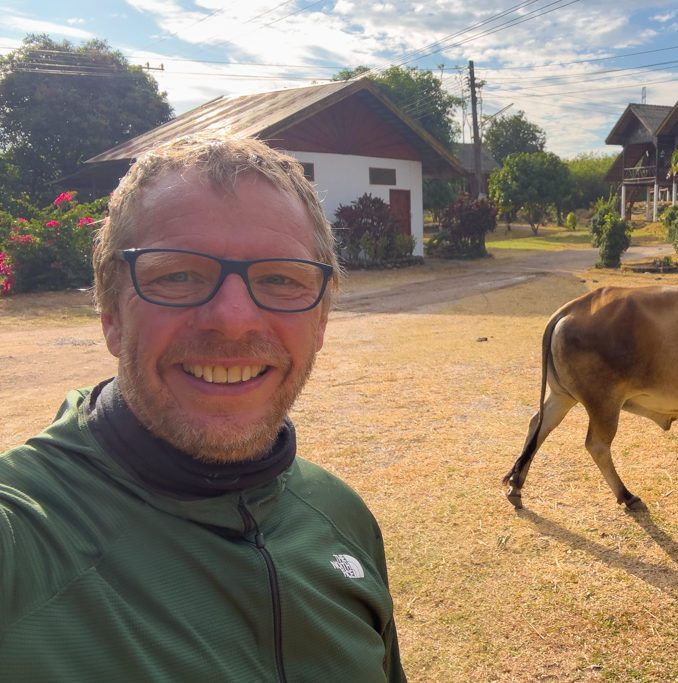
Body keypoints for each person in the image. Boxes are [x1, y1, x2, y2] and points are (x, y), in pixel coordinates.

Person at [0, 135, 406, 682]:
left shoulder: (342, 515)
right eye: (178, 274)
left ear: (322, 321)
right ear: (110, 312)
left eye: (281, 279)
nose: (233, 319)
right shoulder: (27, 538)